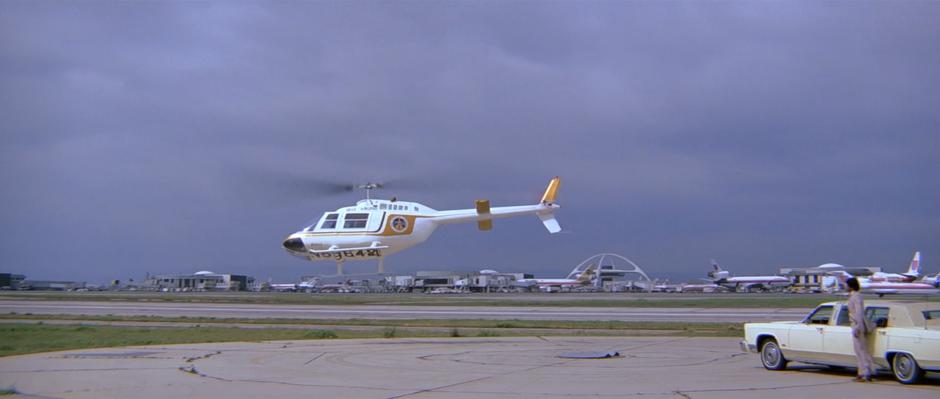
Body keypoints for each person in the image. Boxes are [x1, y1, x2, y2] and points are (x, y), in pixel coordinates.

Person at [846, 277, 876, 382]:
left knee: (862, 350)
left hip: (857, 325)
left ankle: (866, 373)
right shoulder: (853, 296)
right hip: (855, 325)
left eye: (847, 285)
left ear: (851, 286)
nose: (845, 287)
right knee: (858, 351)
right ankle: (861, 372)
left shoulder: (856, 296)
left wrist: (858, 327)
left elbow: (859, 313)